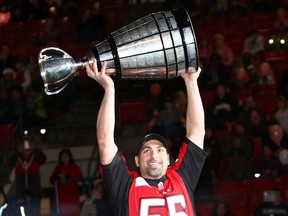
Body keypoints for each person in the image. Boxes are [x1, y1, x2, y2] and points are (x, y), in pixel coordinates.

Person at [85, 59, 207, 215]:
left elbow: (197, 131)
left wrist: (191, 82)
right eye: (147, 150)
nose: (154, 154)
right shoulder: (125, 186)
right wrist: (109, 89)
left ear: (168, 159)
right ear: (137, 160)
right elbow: (104, 141)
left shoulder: (181, 177)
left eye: (160, 150)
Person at [8, 135, 47, 216]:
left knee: (35, 210)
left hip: (34, 188)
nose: (26, 144)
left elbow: (43, 159)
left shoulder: (35, 155)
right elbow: (11, 163)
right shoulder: (18, 156)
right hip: (21, 187)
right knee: (22, 211)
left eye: (28, 141)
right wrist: (18, 151)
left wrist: (35, 148)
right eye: (24, 141)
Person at [50, 148, 83, 216]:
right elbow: (51, 179)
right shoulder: (58, 167)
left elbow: (80, 176)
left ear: (69, 157)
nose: (64, 158)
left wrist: (68, 177)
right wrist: (58, 177)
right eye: (62, 157)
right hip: (61, 198)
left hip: (72, 198)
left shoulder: (74, 166)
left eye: (66, 156)